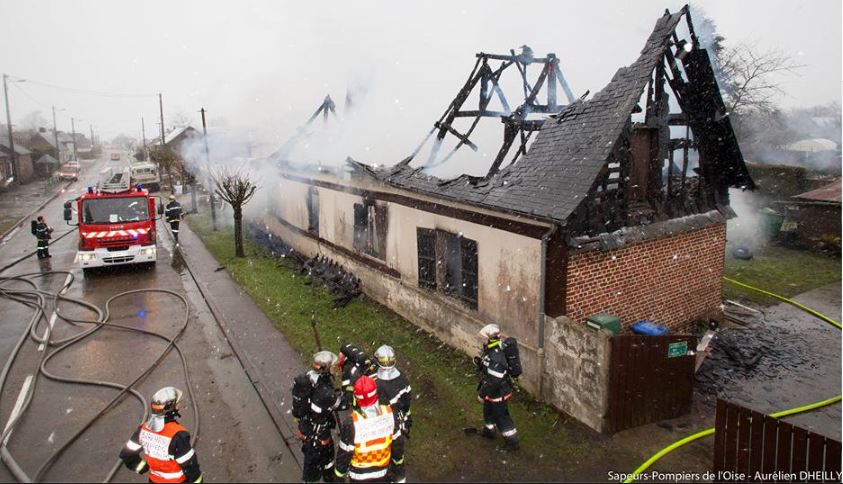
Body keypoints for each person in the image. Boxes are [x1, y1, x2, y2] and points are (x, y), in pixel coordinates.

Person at [119, 386, 203, 483]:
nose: (179, 405)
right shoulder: (178, 435)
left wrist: (142, 467)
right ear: (170, 408)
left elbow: (126, 454)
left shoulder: (143, 430)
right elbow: (191, 467)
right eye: (177, 404)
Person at [334, 376, 404, 483]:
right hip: (383, 473)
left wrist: (339, 475)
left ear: (356, 398)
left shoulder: (351, 423)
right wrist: (398, 465)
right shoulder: (390, 414)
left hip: (359, 476)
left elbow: (345, 453)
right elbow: (397, 444)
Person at [295, 351, 341, 483]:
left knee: (314, 464)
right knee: (320, 466)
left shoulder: (309, 378)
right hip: (319, 436)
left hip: (308, 428)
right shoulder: (325, 393)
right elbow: (341, 404)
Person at [475, 323, 519, 451]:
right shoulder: (491, 350)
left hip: (499, 393)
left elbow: (495, 381)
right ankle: (489, 431)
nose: (482, 339)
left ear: (490, 339)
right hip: (491, 392)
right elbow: (488, 367)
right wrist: (480, 363)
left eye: (484, 337)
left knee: (502, 417)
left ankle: (512, 442)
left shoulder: (496, 355)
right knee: (488, 412)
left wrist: (482, 394)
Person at [372, 345, 411, 482]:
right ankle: (400, 478)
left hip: (381, 427)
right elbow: (406, 402)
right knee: (398, 458)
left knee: (381, 457)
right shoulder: (402, 378)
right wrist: (407, 417)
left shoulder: (375, 383)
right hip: (397, 428)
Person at [337, 343, 375, 411]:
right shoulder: (367, 361)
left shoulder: (348, 369)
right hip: (375, 396)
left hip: (363, 403)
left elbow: (348, 395)